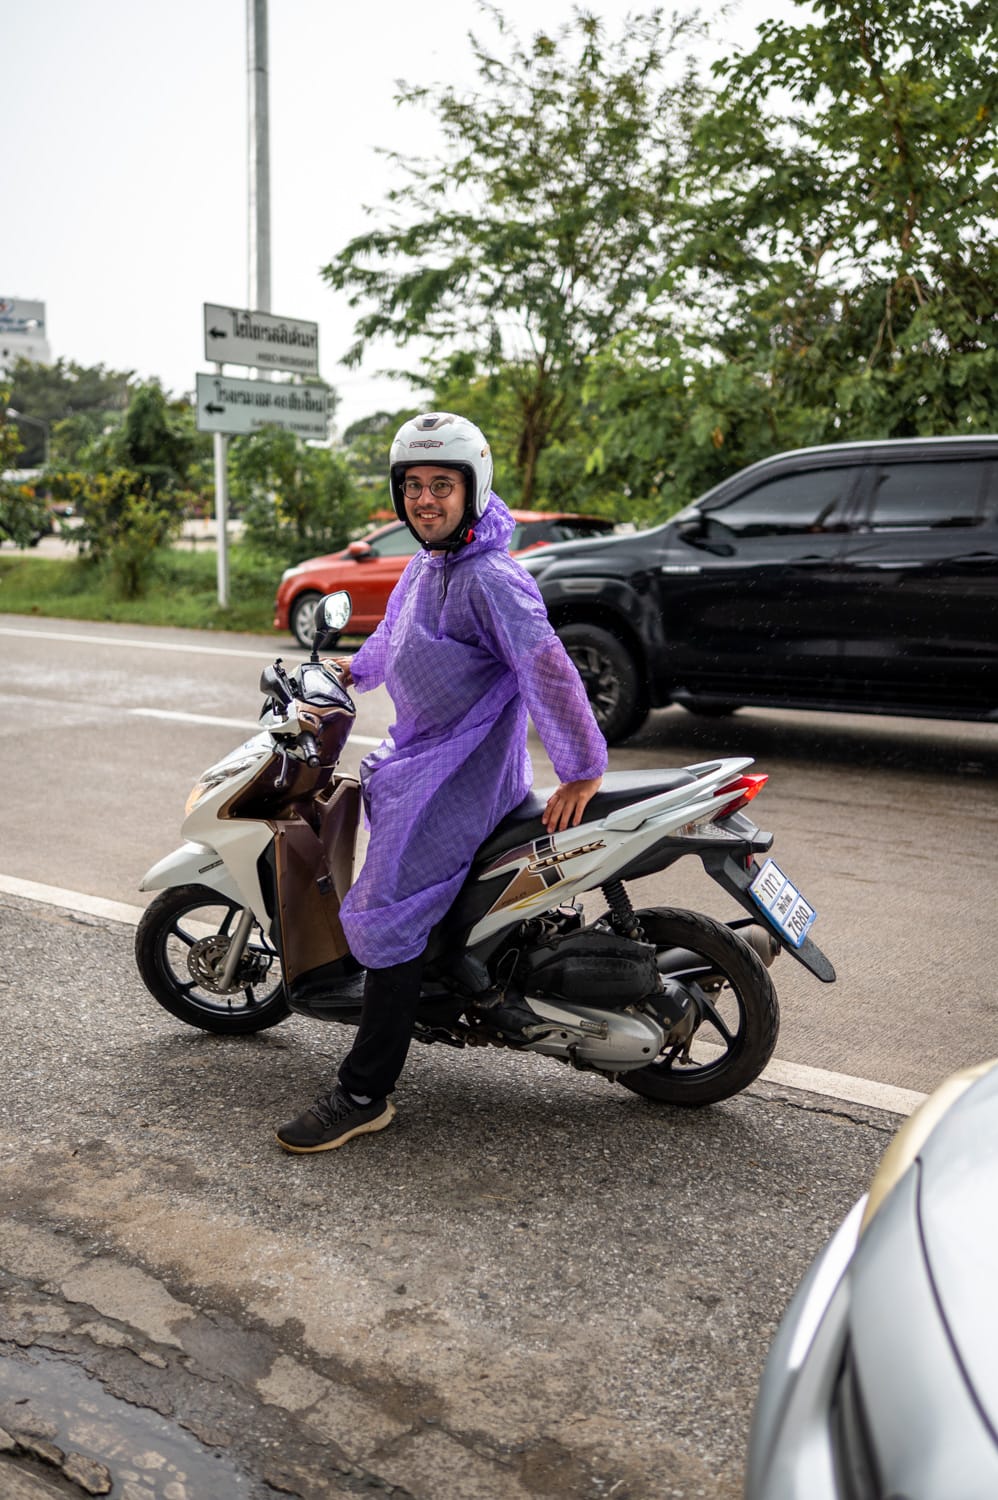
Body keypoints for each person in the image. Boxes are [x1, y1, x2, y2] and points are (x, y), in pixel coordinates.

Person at [276, 412, 608, 1154]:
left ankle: (363, 1093)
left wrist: (582, 764)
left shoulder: (490, 576)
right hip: (421, 758)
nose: (426, 499)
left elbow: (545, 665)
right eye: (414, 486)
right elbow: (394, 637)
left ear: (473, 489)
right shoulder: (433, 565)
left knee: (389, 910)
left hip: (461, 771)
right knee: (402, 899)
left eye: (442, 485)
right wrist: (349, 671)